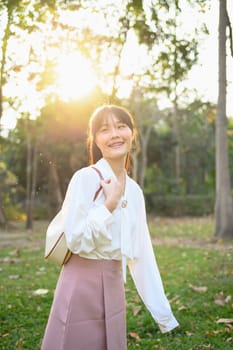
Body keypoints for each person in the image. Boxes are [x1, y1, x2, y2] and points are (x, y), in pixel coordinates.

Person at [41, 105, 179, 350]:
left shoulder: (135, 192)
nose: (115, 134)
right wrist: (109, 205)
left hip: (115, 283)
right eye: (105, 130)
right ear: (95, 140)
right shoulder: (85, 178)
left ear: (132, 133)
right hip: (80, 283)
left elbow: (142, 253)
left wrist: (163, 314)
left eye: (121, 126)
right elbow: (76, 239)